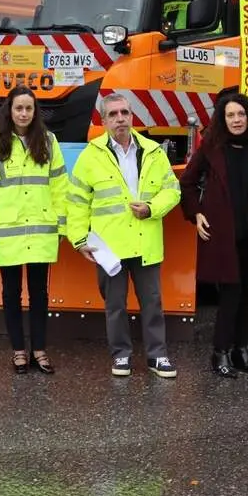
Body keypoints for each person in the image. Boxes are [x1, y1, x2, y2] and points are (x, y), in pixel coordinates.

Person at [66, 93, 181, 379]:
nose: (120, 119)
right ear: (103, 120)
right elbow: (76, 201)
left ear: (132, 116)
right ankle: (121, 355)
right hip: (110, 246)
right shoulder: (90, 156)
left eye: (125, 113)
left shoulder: (153, 152)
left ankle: (157, 356)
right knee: (115, 306)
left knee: (152, 303)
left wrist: (152, 208)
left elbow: (172, 190)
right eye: (113, 114)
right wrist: (79, 239)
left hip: (145, 240)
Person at [0, 84, 68, 375]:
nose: (24, 113)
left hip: (41, 229)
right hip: (7, 231)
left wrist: (62, 226)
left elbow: (60, 186)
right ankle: (19, 352)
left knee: (40, 293)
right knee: (11, 293)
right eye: (19, 108)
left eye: (29, 108)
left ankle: (39, 350)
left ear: (35, 112)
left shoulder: (48, 141)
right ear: (9, 111)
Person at [179, 92, 248, 378]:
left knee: (246, 293)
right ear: (223, 120)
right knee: (231, 293)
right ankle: (220, 351)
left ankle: (240, 350)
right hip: (223, 235)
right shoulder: (212, 147)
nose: (237, 120)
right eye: (230, 115)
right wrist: (196, 213)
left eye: (241, 114)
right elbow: (187, 182)